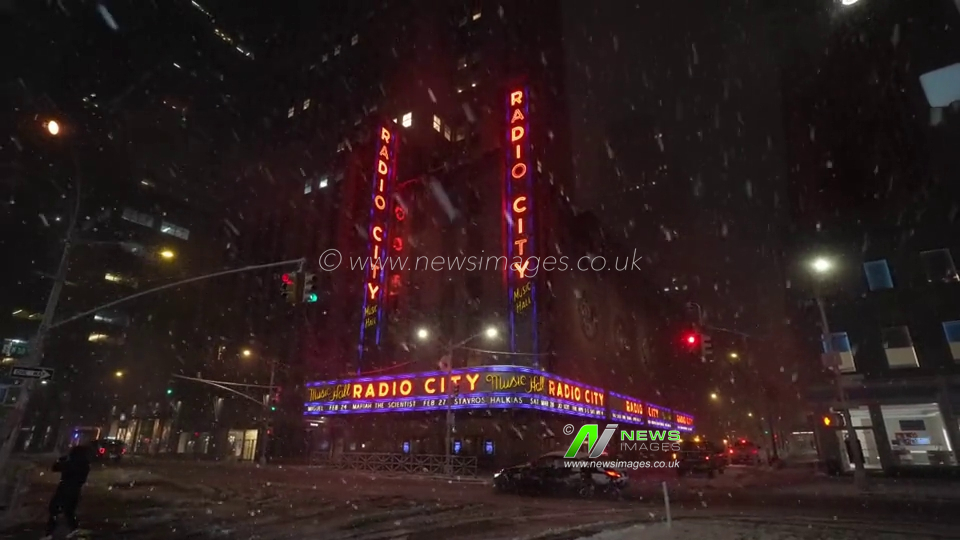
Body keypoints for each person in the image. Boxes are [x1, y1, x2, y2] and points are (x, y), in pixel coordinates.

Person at [42, 445, 90, 539]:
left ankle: (49, 533)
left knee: (54, 509)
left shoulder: (71, 462)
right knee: (69, 511)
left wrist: (61, 460)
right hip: (76, 490)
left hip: (64, 489)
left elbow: (55, 467)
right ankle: (74, 528)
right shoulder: (85, 464)